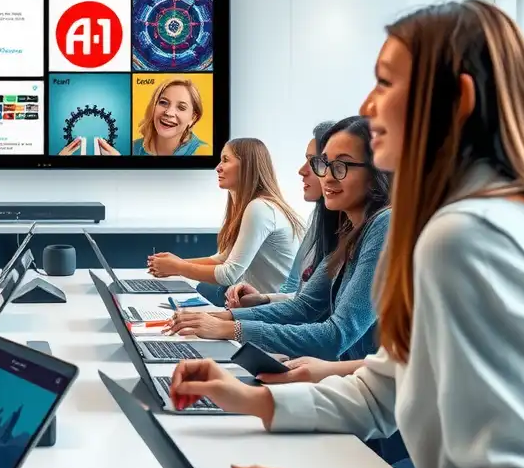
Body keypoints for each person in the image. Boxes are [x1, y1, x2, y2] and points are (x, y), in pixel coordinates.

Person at [169, 0, 524, 468]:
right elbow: (382, 390)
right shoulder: (457, 222)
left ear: (457, 101)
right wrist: (249, 399)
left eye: (385, 83)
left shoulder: (465, 238)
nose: (367, 105)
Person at [164, 117, 390, 364]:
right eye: (324, 164)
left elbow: (335, 337)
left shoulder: (384, 225)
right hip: (337, 373)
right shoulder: (350, 229)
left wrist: (231, 328)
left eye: (342, 165)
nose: (326, 176)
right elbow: (303, 307)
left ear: (378, 170)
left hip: (362, 387)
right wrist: (222, 318)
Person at [147, 138, 302, 295]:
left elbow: (229, 274)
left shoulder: (260, 208)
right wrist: (175, 263)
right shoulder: (253, 207)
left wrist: (178, 267)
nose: (218, 168)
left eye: (225, 160)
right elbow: (223, 259)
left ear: (247, 166)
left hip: (269, 310)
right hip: (255, 304)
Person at [225, 120, 339, 308]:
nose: (302, 170)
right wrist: (265, 299)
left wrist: (234, 324)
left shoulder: (260, 207)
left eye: (315, 162)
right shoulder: (319, 220)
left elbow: (321, 321)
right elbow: (299, 293)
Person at [128, 78, 207, 156]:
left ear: (193, 118)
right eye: (163, 102)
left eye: (181, 107)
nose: (169, 113)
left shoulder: (205, 153)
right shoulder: (132, 148)